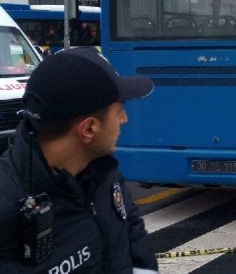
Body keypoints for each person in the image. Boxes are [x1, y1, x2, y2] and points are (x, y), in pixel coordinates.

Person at [0, 47, 158, 273]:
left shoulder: (102, 171)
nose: (124, 119)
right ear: (89, 129)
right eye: (119, 111)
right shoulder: (7, 210)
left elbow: (132, 236)